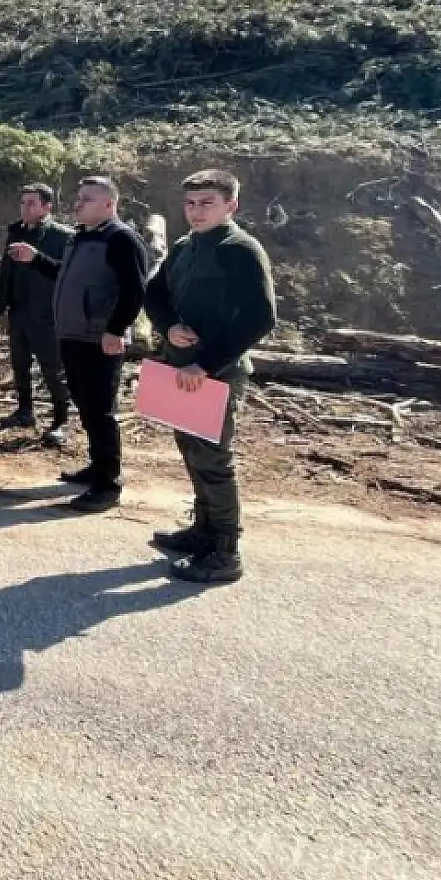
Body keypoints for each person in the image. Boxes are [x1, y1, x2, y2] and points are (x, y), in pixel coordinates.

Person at [145, 169, 277, 586]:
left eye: (207, 203)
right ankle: (202, 531)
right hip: (181, 370)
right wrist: (167, 327)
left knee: (215, 461)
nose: (196, 211)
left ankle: (225, 553)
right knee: (192, 452)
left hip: (214, 373)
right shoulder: (185, 246)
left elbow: (261, 317)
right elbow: (154, 293)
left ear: (231, 205)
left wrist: (205, 363)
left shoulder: (240, 249)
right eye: (191, 203)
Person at [10, 176, 150, 513]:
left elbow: (135, 291)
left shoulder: (122, 239)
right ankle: (96, 467)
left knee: (102, 413)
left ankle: (108, 485)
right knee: (86, 408)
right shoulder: (82, 238)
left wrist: (116, 330)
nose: (77, 203)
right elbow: (65, 275)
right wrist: (36, 259)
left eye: (86, 198)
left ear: (108, 204)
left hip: (100, 340)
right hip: (73, 335)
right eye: (78, 197)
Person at [0, 183, 74, 446]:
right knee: (20, 365)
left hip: (47, 313)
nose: (25, 207)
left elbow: (68, 273)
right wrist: (1, 301)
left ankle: (61, 420)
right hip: (18, 309)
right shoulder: (15, 231)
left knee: (53, 368)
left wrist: (37, 258)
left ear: (47, 207)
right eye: (22, 202)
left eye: (31, 203)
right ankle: (25, 411)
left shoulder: (63, 236)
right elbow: (7, 269)